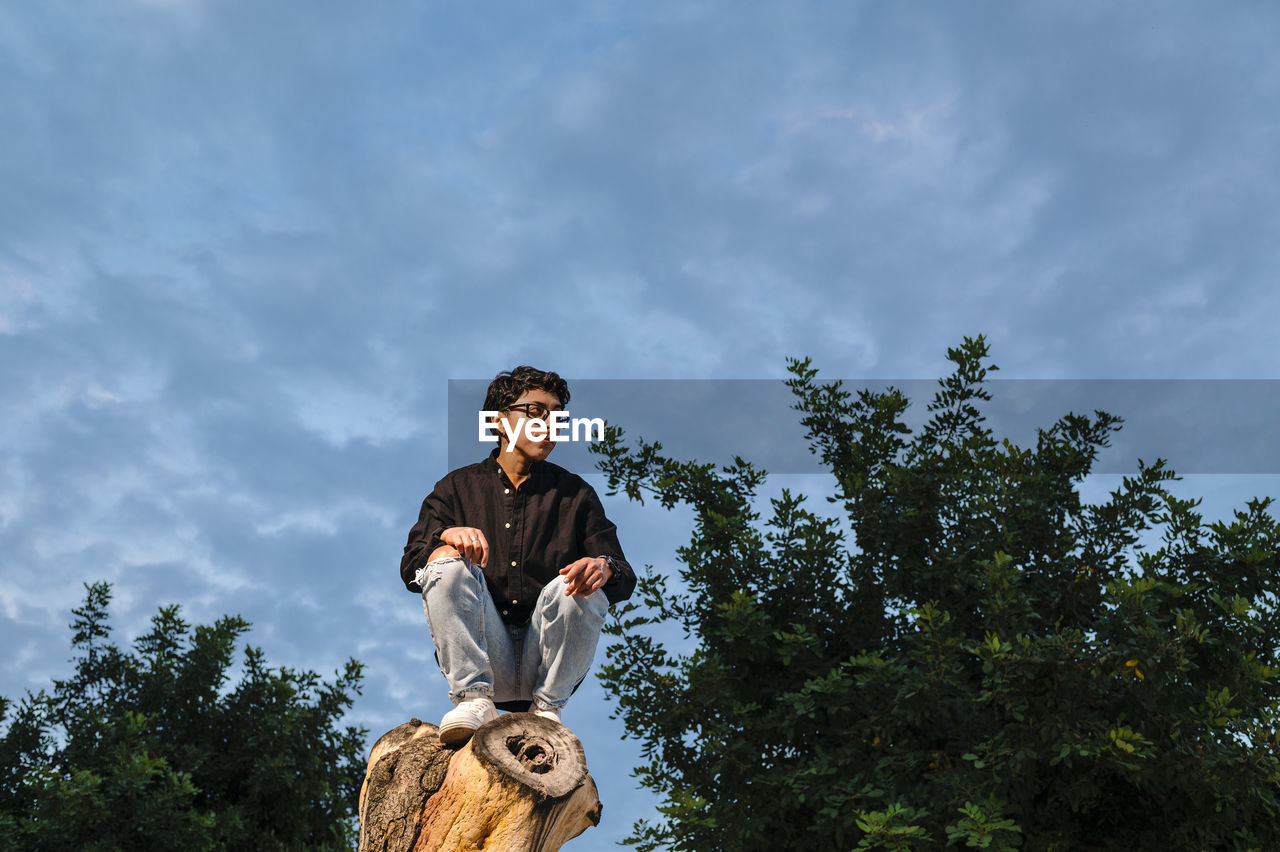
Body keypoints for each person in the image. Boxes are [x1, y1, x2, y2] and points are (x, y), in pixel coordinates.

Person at [400, 366, 636, 745]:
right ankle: (473, 699)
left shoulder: (576, 495)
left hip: (545, 662)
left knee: (582, 582)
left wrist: (603, 568)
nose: (551, 421)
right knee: (443, 563)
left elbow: (623, 573)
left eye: (558, 414)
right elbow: (411, 565)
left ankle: (548, 711)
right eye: (536, 410)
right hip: (482, 653)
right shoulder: (455, 488)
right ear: (498, 420)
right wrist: (444, 539)